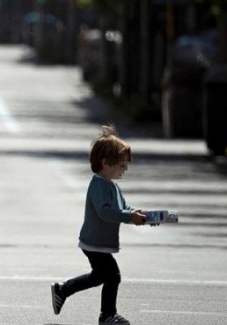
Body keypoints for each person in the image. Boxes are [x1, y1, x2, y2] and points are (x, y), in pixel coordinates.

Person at [51, 125, 147, 325]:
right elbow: (105, 212)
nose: (125, 169)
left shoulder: (111, 185)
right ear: (105, 163)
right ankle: (107, 316)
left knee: (99, 276)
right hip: (94, 241)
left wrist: (138, 215)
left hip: (98, 241)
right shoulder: (98, 185)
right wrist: (129, 217)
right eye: (121, 165)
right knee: (113, 276)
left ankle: (63, 289)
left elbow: (123, 207)